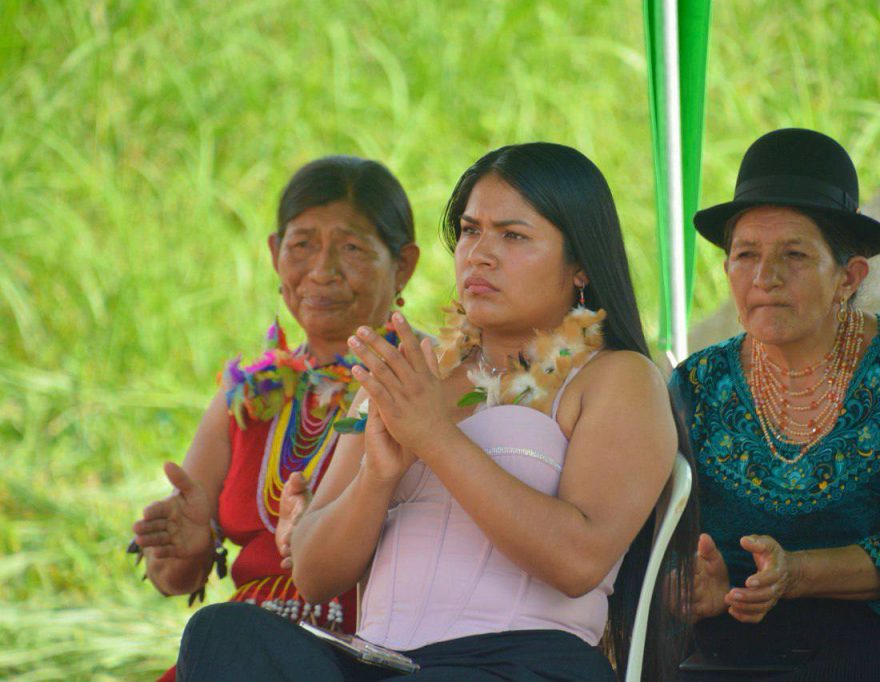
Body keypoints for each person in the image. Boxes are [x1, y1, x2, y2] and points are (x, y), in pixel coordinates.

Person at [174, 142, 696, 681]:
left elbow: (578, 561)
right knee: (222, 631)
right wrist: (377, 477)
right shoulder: (407, 373)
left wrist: (435, 439)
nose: (479, 255)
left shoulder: (618, 377)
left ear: (580, 263)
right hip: (380, 663)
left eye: (513, 236)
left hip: (522, 664)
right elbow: (313, 574)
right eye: (470, 231)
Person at [670, 128, 880, 680]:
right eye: (746, 254)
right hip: (737, 642)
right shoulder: (697, 384)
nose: (764, 277)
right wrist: (697, 584)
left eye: (794, 255)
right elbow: (664, 536)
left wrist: (796, 573)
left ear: (848, 277)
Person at [130, 155, 420, 680]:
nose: (321, 271)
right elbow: (173, 577)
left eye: (352, 248)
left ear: (403, 264)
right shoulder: (246, 393)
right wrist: (185, 546)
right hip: (236, 649)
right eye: (302, 244)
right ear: (273, 252)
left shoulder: (423, 378)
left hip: (365, 654)